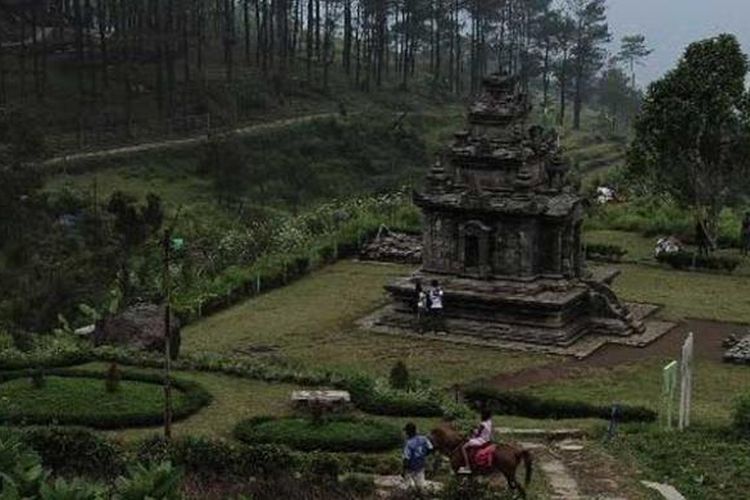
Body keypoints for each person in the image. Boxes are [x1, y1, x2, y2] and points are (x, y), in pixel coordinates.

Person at [458, 408, 494, 475]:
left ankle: (467, 466)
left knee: (463, 447)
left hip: (481, 440)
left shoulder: (482, 424)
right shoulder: (490, 422)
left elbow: (477, 434)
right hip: (487, 440)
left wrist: (473, 432)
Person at [402, 422, 434, 493]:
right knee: (420, 486)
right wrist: (424, 455)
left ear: (408, 432)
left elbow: (406, 459)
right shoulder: (424, 439)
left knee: (410, 487)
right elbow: (431, 448)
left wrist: (404, 471)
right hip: (421, 466)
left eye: (406, 431)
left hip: (410, 469)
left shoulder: (409, 443)